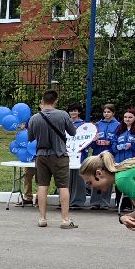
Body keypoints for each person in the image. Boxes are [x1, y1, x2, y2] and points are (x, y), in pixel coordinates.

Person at [26, 89, 78, 229]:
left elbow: (30, 137)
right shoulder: (62, 115)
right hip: (59, 155)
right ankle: (65, 219)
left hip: (41, 155)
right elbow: (73, 132)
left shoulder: (34, 118)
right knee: (63, 186)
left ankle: (42, 218)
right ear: (56, 101)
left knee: (42, 186)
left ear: (42, 101)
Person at [89, 104, 120, 209]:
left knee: (107, 177)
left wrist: (110, 143)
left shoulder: (118, 125)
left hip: (109, 155)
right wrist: (95, 142)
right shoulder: (98, 124)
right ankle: (94, 202)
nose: (106, 114)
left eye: (109, 112)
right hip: (97, 154)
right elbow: (91, 141)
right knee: (96, 176)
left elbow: (117, 140)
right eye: (105, 112)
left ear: (113, 113)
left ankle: (104, 202)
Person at [66, 104, 91, 209]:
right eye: (71, 111)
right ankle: (65, 201)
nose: (73, 113)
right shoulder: (65, 123)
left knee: (79, 179)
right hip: (67, 154)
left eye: (75, 111)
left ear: (79, 112)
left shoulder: (84, 124)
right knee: (66, 179)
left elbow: (88, 139)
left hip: (80, 155)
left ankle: (78, 201)